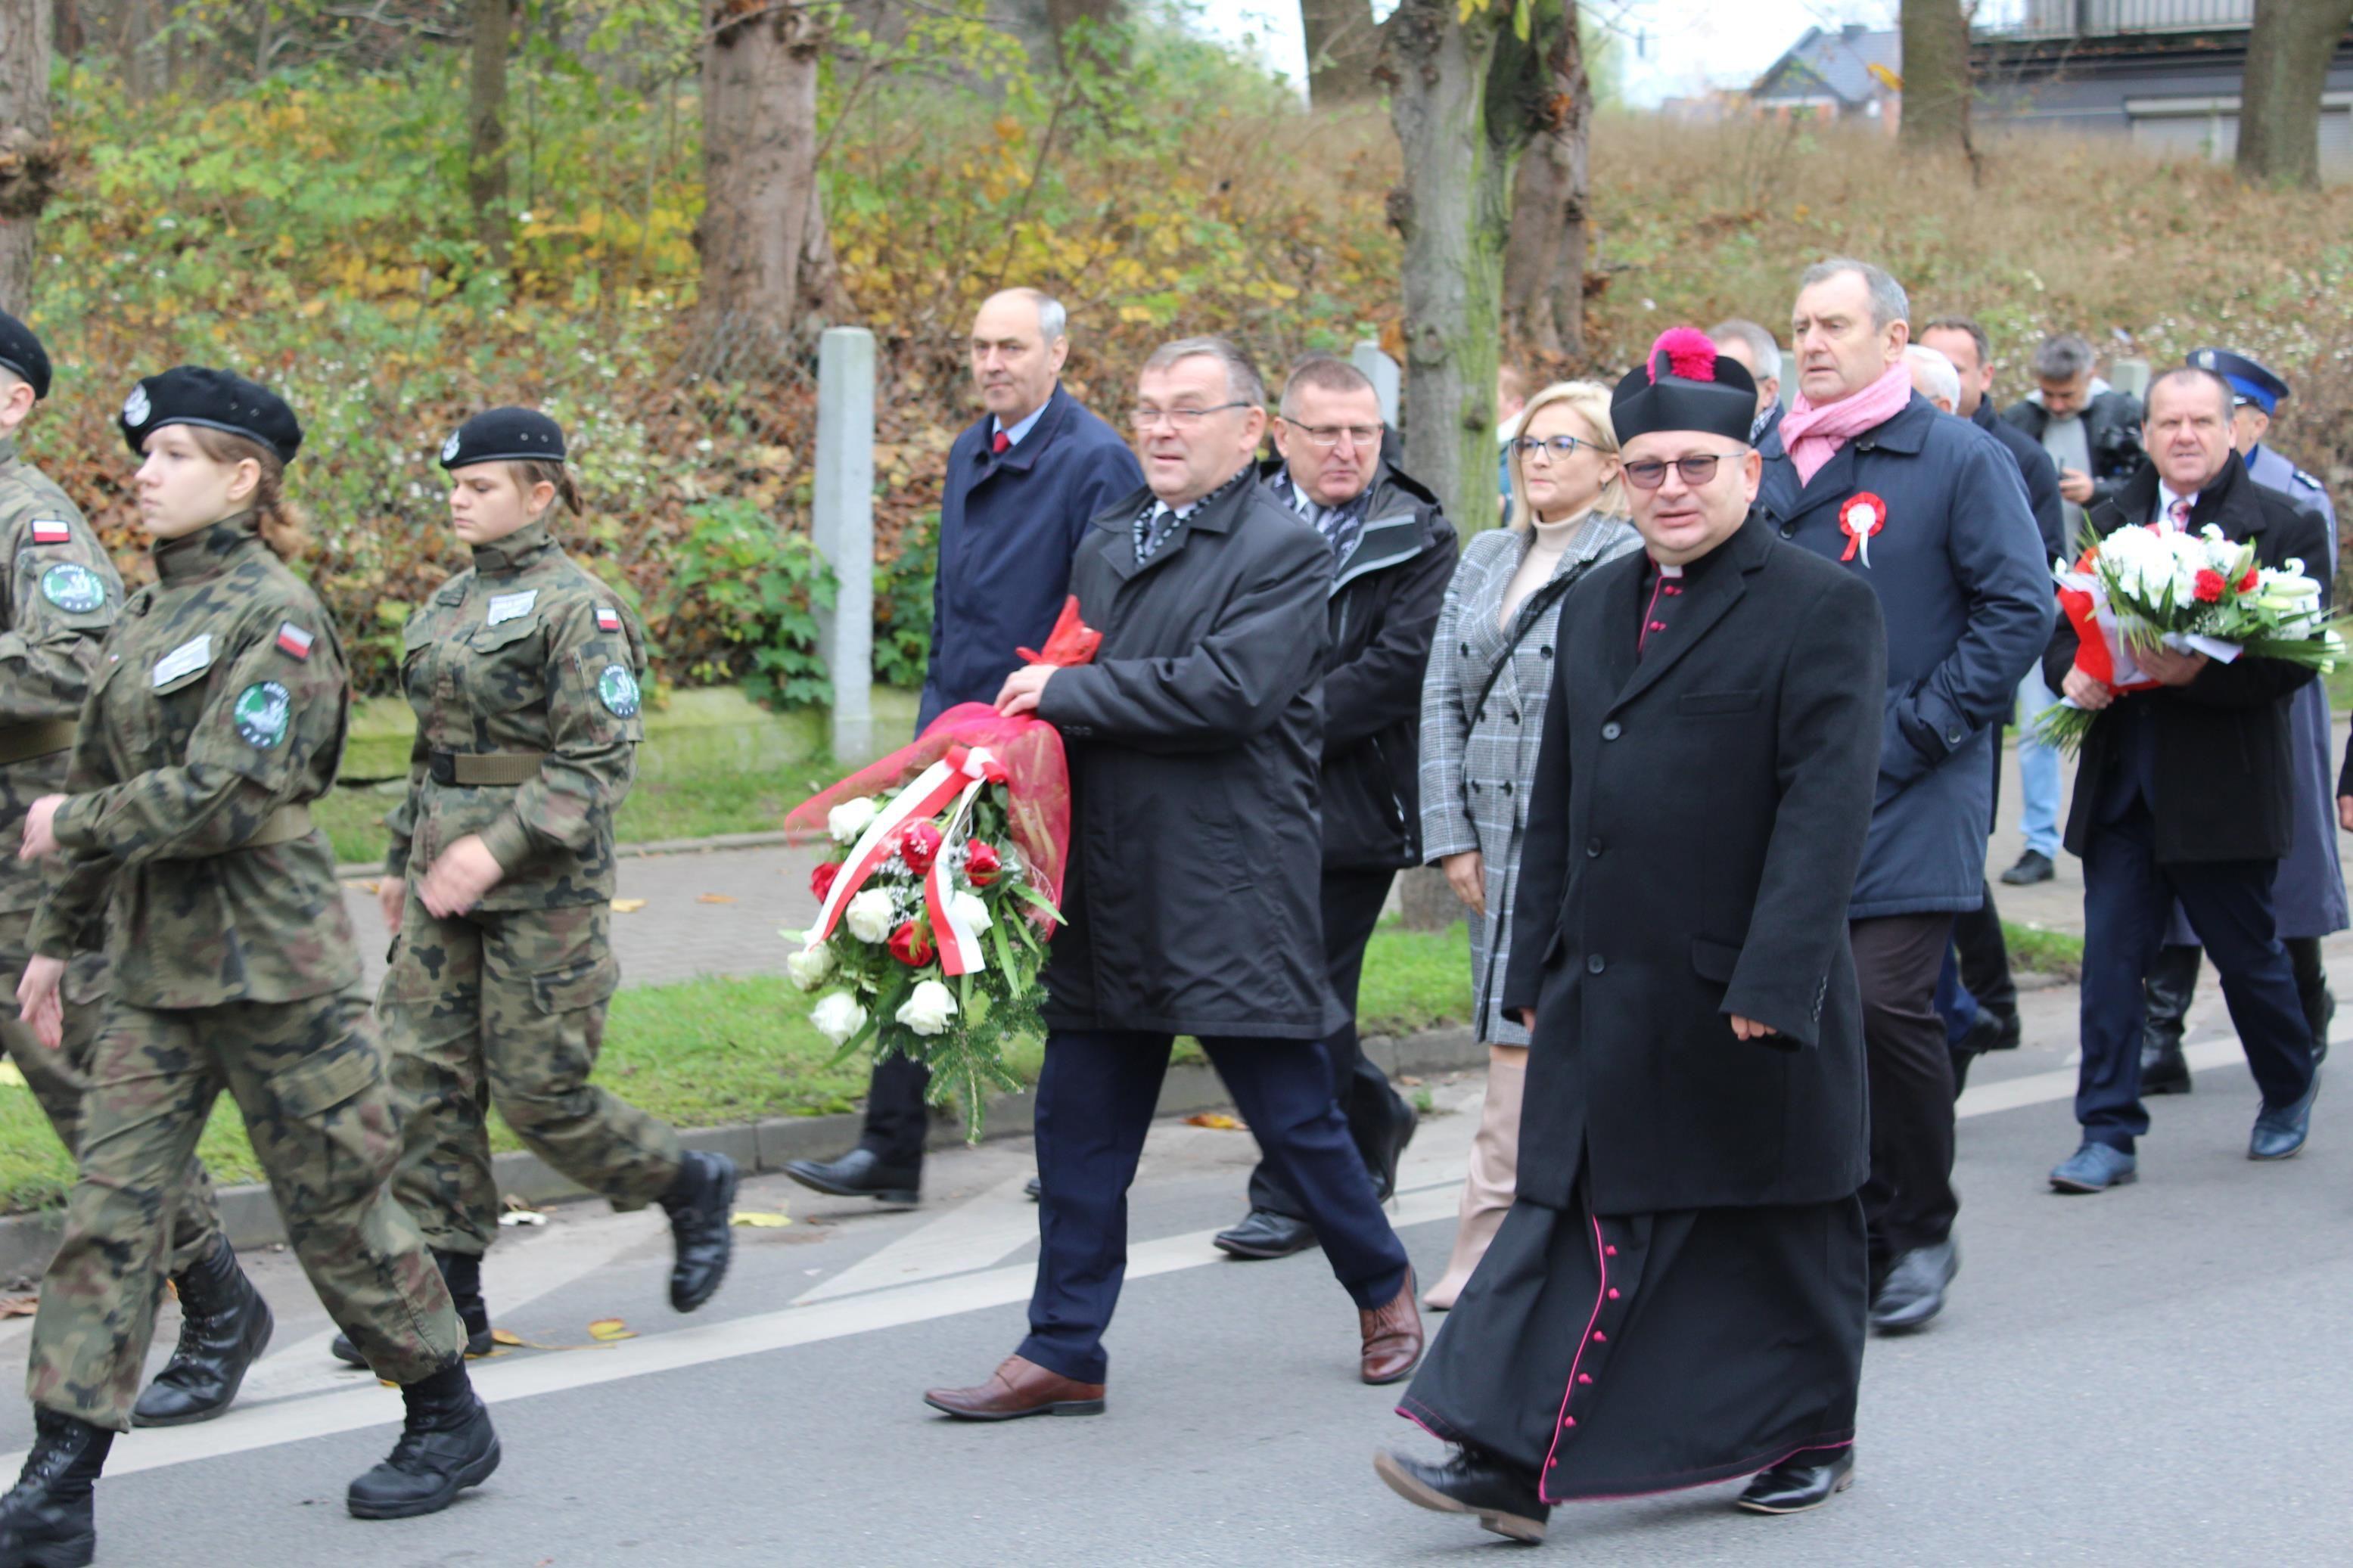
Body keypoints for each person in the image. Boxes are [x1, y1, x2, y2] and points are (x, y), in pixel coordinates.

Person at [1375, 330, 1886, 1543]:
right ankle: (1506, 1454)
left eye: (1694, 465)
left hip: (1745, 989)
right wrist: (1539, 960)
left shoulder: (1825, 606)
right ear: (1620, 477)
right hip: (1606, 983)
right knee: (1574, 1217)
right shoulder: (1598, 598)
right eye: (1646, 466)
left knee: (1781, 1232)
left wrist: (1776, 979)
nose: (1669, 487)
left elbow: (1824, 813)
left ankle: (1813, 1434)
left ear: (1748, 471)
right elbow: (1562, 797)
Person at [0, 368, 498, 1566]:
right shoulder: (139, 616)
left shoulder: (274, 616)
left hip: (274, 969)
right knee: (110, 1221)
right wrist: (56, 944)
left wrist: (76, 829)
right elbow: (91, 787)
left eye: (175, 454)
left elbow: (230, 791)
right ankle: (57, 1486)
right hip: (155, 976)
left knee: (336, 1213)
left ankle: (445, 1412)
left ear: (244, 478)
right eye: (146, 453)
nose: (145, 471)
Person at [921, 337, 1420, 1421]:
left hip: (1224, 884)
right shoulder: (1109, 538)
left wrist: (1063, 695)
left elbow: (1229, 692)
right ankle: (1063, 1347)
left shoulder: (1283, 549)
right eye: (1145, 407)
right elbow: (1074, 674)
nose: (1157, 427)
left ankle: (1382, 1289)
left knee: (1293, 1115)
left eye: (1186, 410)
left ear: (1249, 432)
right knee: (1077, 1125)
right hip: (1104, 881)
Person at [322, 407, 738, 1370]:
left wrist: (496, 849)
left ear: (539, 494)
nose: (459, 503)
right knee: (420, 1084)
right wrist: (401, 859)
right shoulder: (443, 607)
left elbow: (597, 763)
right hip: (443, 889)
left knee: (538, 1093)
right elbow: (433, 759)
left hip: (543, 891)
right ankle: (446, 1304)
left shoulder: (578, 609)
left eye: (481, 488)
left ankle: (686, 1182)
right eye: (455, 489)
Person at [788, 287, 1141, 1206]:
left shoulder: (1097, 461)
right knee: (911, 920)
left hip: (1038, 746)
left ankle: (1078, 1149)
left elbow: (1096, 617)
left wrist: (1036, 726)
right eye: (981, 346)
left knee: (1063, 951)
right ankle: (891, 1149)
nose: (993, 363)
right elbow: (957, 606)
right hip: (956, 729)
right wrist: (932, 728)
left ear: (1057, 355)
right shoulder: (970, 449)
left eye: (1012, 347)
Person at [1758, 259, 2051, 1334]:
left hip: (1910, 780)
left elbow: (2015, 609)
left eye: (1834, 323)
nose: (1813, 342)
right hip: (1780, 785)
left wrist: (1918, 727)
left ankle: (1918, 1224)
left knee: (1884, 1001)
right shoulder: (1759, 460)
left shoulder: (1954, 456)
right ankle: (1833, 1218)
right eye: (1800, 326)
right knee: (1797, 1007)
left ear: (1894, 338)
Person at [0, 313, 269, 1433]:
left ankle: (214, 1298)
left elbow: (75, 656)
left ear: (12, 402)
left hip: (25, 852)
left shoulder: (31, 517)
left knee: (86, 1092)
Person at [2044, 367, 2326, 1194]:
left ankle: (2283, 1083)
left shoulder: (2282, 524)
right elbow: (2062, 625)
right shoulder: (2106, 518)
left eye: (2202, 421)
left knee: (2247, 958)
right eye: (2168, 423)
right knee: (2109, 965)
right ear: (2148, 432)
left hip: (2220, 787)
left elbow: (2288, 665)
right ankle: (2105, 1132)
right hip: (2123, 785)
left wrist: (2194, 675)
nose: (2185, 437)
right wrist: (2070, 675)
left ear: (2232, 428)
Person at [1212, 356, 1455, 1261]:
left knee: (1299, 992)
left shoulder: (1416, 531)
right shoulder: (1233, 517)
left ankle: (1290, 1190)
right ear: (1281, 436)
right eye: (1326, 431)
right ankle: (1371, 1111)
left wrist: (1266, 721)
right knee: (1272, 989)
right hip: (1234, 792)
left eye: (1364, 431)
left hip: (1347, 805)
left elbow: (1398, 669)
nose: (1348, 449)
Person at [1416, 380, 1640, 1310]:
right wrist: (1449, 835)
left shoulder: (1625, 556)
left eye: (1563, 443)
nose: (1539, 459)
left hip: (1574, 841)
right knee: (1513, 1036)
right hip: (1489, 839)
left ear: (1609, 464)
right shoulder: (1484, 554)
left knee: (1536, 1040)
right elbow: (1437, 697)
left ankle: (1490, 1248)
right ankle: (1534, 1243)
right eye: (1527, 444)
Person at [2140, 348, 2345, 1094]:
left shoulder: (2292, 500)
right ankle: (2159, 1030)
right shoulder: (2155, 500)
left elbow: (2299, 623)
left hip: (2267, 713)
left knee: (2273, 879)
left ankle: (2299, 1002)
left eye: (2217, 417)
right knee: (2168, 875)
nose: (2192, 433)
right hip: (2165, 718)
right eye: (2175, 419)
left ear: (2248, 424)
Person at [1914, 319, 2069, 1083]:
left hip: (1964, 696)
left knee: (1952, 865)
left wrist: (1958, 688)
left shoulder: (2016, 458)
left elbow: (2027, 582)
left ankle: (1970, 1013)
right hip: (1902, 697)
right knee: (1944, 872)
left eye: (1952, 365)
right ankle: (1979, 1008)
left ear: (1981, 376)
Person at [2001, 332, 2146, 523]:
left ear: (2090, 377)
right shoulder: (2017, 420)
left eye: (2067, 395)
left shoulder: (2123, 413)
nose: (2056, 406)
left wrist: (2097, 491)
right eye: (2048, 394)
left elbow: (2146, 481)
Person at [1708, 317, 1785, 446]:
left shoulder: (1794, 456)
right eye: (1705, 381)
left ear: (1769, 391)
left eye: (1730, 381)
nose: (1713, 393)